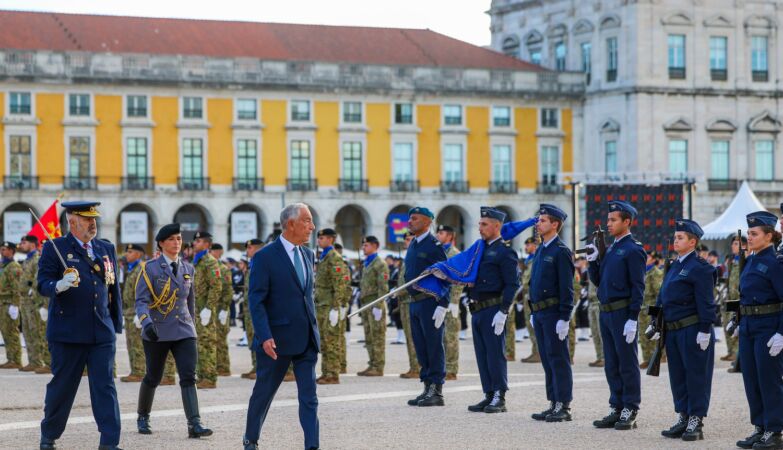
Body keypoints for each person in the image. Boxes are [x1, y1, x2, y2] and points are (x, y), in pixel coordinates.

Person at [37, 201, 123, 450]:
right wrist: (59, 285)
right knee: (62, 387)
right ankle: (49, 434)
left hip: (101, 332)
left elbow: (112, 288)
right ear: (72, 222)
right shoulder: (56, 248)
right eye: (87, 219)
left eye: (94, 218)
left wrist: (115, 322)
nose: (93, 223)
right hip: (68, 333)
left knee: (105, 387)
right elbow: (42, 283)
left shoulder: (106, 248)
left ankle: (110, 442)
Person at [243, 203, 319, 450]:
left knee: (309, 398)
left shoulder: (308, 254)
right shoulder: (265, 256)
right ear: (291, 224)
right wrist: (264, 336)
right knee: (264, 393)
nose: (312, 226)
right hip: (276, 341)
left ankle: (312, 445)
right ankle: (251, 439)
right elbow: (256, 300)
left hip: (306, 338)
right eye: (307, 221)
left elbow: (305, 296)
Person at [135, 223, 213, 439]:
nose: (176, 243)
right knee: (153, 376)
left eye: (179, 238)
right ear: (161, 243)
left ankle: (194, 424)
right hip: (157, 330)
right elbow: (141, 300)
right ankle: (143, 416)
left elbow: (191, 302)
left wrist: (193, 326)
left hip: (184, 330)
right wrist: (145, 321)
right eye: (171, 239)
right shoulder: (149, 268)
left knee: (189, 375)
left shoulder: (189, 268)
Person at [651, 219, 716, 441]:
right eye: (675, 237)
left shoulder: (700, 268)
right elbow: (663, 295)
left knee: (696, 375)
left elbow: (707, 301)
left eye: (680, 238)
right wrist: (657, 321)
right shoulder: (675, 264)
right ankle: (683, 415)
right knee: (677, 376)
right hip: (673, 329)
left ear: (692, 242)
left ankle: (696, 419)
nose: (675, 240)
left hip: (692, 328)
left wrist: (705, 329)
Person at [587, 200, 646, 431]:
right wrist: (593, 262)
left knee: (627, 363)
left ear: (627, 222)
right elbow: (599, 282)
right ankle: (616, 405)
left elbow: (638, 286)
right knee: (611, 362)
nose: (608, 223)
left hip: (622, 312)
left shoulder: (633, 249)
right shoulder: (611, 249)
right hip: (607, 311)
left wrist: (633, 317)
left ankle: (630, 407)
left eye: (613, 220)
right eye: (608, 219)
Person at [464, 207, 520, 414]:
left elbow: (512, 284)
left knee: (495, 354)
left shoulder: (505, 252)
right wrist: (464, 293)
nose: (480, 227)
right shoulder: (479, 250)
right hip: (477, 309)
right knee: (482, 355)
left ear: (497, 226)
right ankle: (488, 393)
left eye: (484, 224)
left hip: (493, 309)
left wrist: (504, 311)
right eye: (479, 223)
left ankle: (499, 395)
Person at [735, 211, 783, 450]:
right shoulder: (751, 259)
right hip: (749, 327)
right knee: (751, 379)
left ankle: (775, 431)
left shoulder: (775, 263)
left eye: (754, 234)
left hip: (768, 327)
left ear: (769, 236)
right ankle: (760, 427)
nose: (749, 238)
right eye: (748, 233)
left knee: (768, 380)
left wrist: (782, 333)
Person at [527, 204, 575, 422]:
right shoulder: (542, 249)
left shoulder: (561, 251)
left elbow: (567, 287)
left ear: (555, 224)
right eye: (539, 220)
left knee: (558, 358)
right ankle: (553, 401)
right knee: (547, 358)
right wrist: (531, 308)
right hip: (539, 312)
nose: (538, 223)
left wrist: (565, 317)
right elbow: (534, 282)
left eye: (543, 220)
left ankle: (563, 405)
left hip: (554, 312)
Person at [404, 206, 449, 407]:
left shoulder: (434, 245)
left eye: (414, 218)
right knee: (421, 347)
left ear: (427, 222)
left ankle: (436, 390)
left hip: (430, 303)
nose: (410, 222)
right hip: (414, 303)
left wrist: (444, 305)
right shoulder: (413, 244)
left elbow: (446, 275)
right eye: (409, 218)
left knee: (433, 347)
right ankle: (426, 384)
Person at [314, 228, 351, 384]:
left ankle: (333, 374)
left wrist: (337, 308)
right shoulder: (324, 257)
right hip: (322, 305)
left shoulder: (334, 258)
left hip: (330, 306)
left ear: (331, 239)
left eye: (322, 238)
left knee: (332, 341)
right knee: (324, 341)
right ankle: (326, 372)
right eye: (319, 238)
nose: (319, 240)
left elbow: (340, 285)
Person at [191, 231, 222, 389]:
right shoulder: (197, 261)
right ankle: (202, 375)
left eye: (199, 241)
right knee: (199, 343)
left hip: (204, 309)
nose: (195, 243)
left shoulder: (210, 261)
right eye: (195, 241)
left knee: (207, 342)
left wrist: (209, 308)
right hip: (196, 309)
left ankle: (209, 377)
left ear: (207, 245)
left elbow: (216, 286)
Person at [18, 235, 51, 373]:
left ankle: (48, 362)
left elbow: (39, 282)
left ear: (31, 244)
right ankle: (34, 360)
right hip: (27, 301)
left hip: (37, 302)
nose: (21, 245)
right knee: (28, 332)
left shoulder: (37, 260)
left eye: (24, 242)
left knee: (40, 333)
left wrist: (44, 305)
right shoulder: (28, 259)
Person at [358, 235, 390, 376]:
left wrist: (378, 305)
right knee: (369, 336)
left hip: (375, 303)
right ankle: (372, 363)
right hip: (366, 304)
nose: (364, 247)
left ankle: (378, 366)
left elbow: (383, 287)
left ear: (375, 246)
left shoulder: (380, 264)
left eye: (367, 245)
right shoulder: (367, 263)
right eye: (363, 245)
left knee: (377, 336)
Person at [436, 224, 463, 379]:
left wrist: (454, 301)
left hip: (450, 301)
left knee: (450, 336)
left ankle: (452, 370)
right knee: (440, 336)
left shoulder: (454, 254)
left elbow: (458, 279)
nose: (438, 235)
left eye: (441, 233)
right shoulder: (440, 253)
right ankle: (443, 367)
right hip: (439, 299)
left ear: (450, 236)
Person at [397, 231, 421, 379]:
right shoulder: (409, 257)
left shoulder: (417, 258)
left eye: (409, 239)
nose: (406, 242)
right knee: (408, 336)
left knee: (414, 336)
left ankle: (417, 367)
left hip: (411, 300)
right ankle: (413, 366)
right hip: (404, 302)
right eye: (405, 239)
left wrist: (400, 292)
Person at [210, 243, 233, 377]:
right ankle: (215, 365)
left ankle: (223, 367)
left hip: (220, 310)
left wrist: (224, 309)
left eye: (212, 251)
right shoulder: (209, 267)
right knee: (212, 339)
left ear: (219, 252)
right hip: (212, 309)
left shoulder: (223, 269)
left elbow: (228, 291)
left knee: (221, 339)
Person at [639, 251, 664, 369]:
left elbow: (659, 293)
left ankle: (654, 358)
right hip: (643, 308)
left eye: (648, 256)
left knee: (652, 333)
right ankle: (647, 358)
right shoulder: (643, 271)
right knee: (644, 335)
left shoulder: (656, 273)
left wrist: (656, 313)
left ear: (653, 259)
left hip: (651, 307)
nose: (645, 258)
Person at [0, 241, 22, 369]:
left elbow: (17, 288)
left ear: (12, 251)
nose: (2, 251)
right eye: (1, 249)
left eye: (5, 249)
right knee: (5, 332)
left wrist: (15, 305)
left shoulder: (13, 266)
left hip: (9, 303)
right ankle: (10, 359)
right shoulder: (3, 265)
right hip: (2, 303)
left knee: (12, 331)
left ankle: (16, 359)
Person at [724, 235, 745, 370]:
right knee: (730, 328)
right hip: (732, 300)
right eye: (733, 244)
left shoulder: (745, 261)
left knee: (739, 331)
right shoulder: (733, 262)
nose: (733, 246)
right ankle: (733, 354)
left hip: (740, 300)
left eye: (737, 244)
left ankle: (739, 360)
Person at [521, 236, 541, 363]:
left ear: (535, 245)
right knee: (530, 326)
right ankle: (535, 351)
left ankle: (538, 352)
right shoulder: (528, 261)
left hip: (532, 297)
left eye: (528, 245)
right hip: (526, 296)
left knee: (534, 326)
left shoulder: (535, 260)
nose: (526, 248)